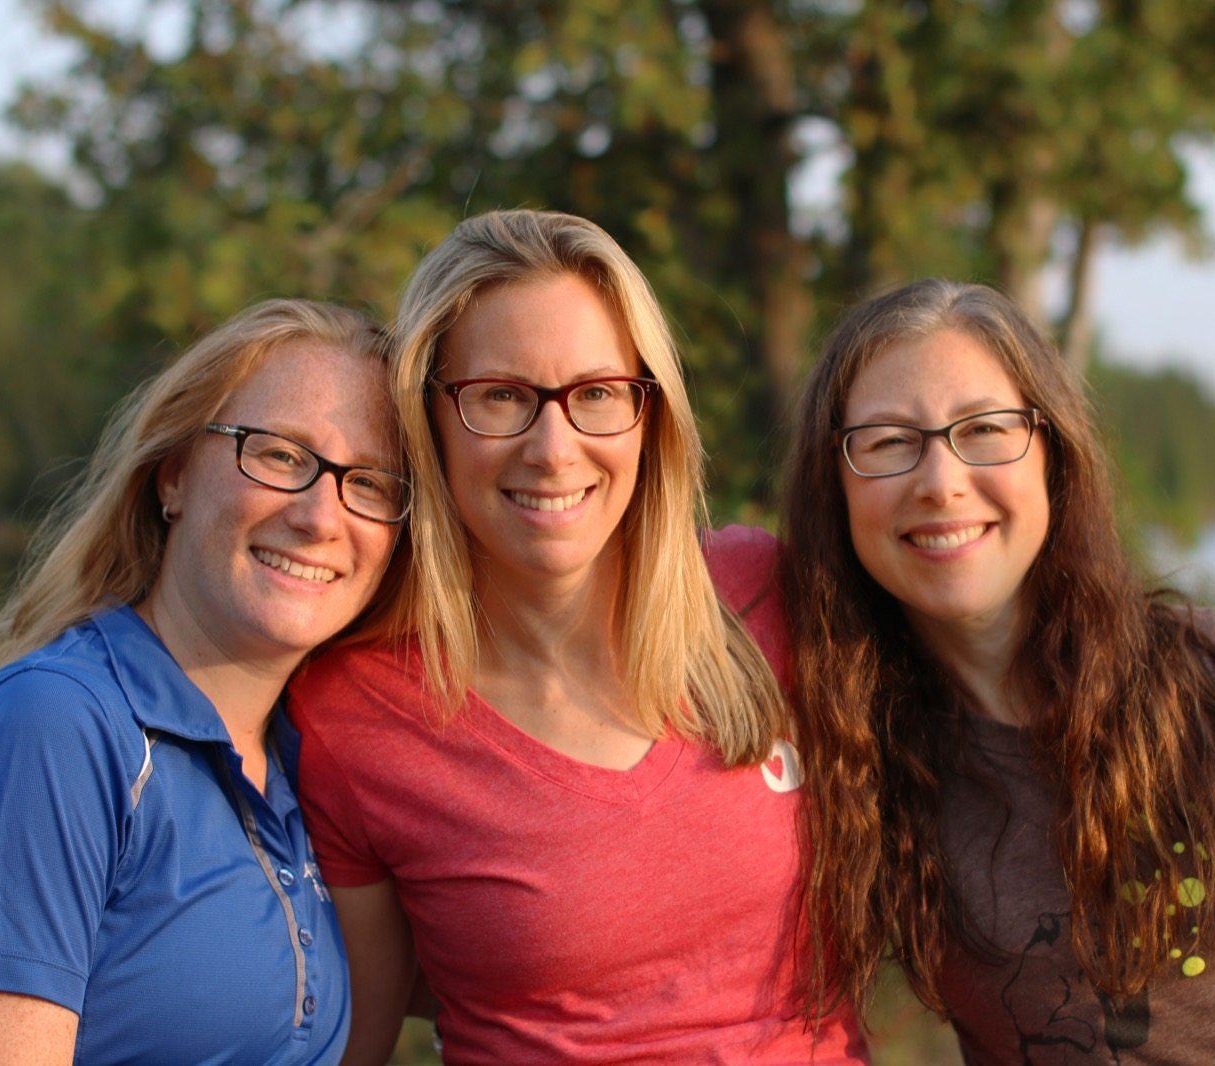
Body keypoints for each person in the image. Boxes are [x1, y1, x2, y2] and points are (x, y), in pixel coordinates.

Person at [781, 278, 1215, 1063]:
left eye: (985, 429)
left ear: (1054, 454)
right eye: (886, 442)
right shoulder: (849, 761)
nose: (941, 481)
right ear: (835, 484)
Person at [288, 209, 868, 1063]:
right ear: (430, 419)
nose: (553, 449)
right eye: (502, 398)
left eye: (596, 394)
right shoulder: (350, 718)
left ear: (649, 413)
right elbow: (355, 1036)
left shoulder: (762, 594)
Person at [0, 299, 412, 1065]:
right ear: (172, 476)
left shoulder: (311, 763)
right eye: (277, 455)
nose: (319, 514)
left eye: (369, 482)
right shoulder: (56, 729)